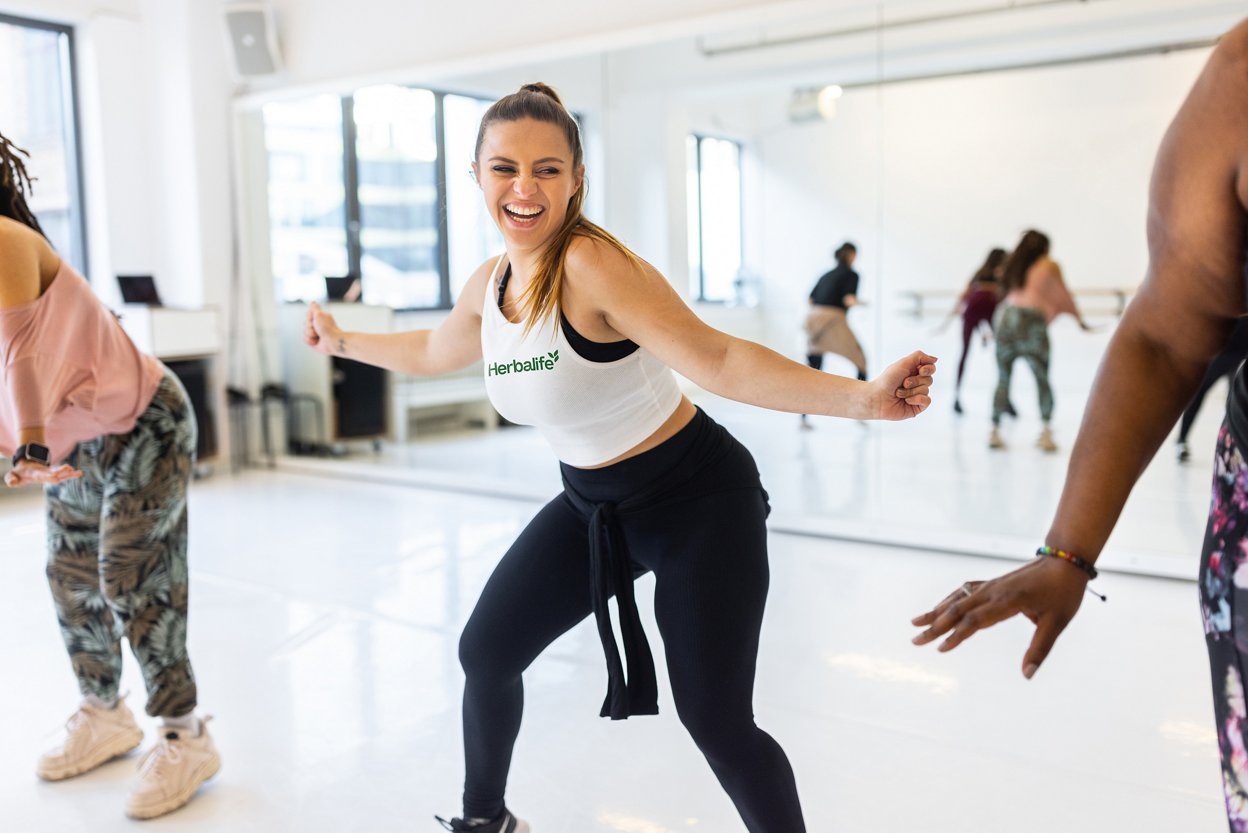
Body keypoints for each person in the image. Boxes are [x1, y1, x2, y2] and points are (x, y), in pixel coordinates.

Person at [303, 83, 936, 833]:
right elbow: (432, 348)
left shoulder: (590, 266)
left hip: (700, 501)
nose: (525, 187)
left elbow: (720, 357)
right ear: (476, 176)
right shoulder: (491, 284)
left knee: (715, 718)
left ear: (575, 179)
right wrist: (339, 340)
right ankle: (486, 821)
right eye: (504, 168)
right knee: (488, 651)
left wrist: (862, 399)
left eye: (547, 168)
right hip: (592, 506)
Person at [910, 18, 1248, 832]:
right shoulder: (1239, 79)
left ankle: (994, 418)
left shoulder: (1018, 267)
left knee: (1012, 391)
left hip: (1013, 334)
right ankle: (996, 419)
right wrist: (1067, 551)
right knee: (1020, 392)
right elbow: (1169, 329)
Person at [0, 133, 219, 819]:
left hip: (142, 419)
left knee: (130, 573)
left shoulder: (3, 239)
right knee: (69, 576)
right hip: (77, 436)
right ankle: (104, 712)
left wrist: (30, 443)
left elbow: (20, 357)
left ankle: (187, 734)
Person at [988, 229, 1093, 452]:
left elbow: (1004, 297)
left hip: (1008, 320)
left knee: (1003, 378)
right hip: (1032, 323)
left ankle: (994, 430)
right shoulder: (1049, 265)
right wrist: (1079, 319)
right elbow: (1064, 295)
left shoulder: (1014, 265)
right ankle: (1046, 431)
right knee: (1042, 377)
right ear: (1044, 247)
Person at [801, 241, 866, 429]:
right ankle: (861, 411)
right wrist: (861, 303)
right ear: (851, 255)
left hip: (814, 320)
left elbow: (810, 299)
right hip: (833, 320)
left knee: (812, 370)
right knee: (861, 361)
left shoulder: (825, 274)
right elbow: (848, 299)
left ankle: (803, 419)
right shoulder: (852, 275)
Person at [944, 247, 1008, 415]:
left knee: (965, 354)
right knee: (1004, 356)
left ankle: (957, 396)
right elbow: (993, 303)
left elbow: (965, 297)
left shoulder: (981, 273)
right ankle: (1006, 400)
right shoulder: (999, 275)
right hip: (982, 314)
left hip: (975, 313)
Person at [1177, 318, 1248, 462]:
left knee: (1234, 403)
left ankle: (1234, 448)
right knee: (1199, 391)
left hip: (1241, 355)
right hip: (1222, 352)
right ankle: (1181, 440)